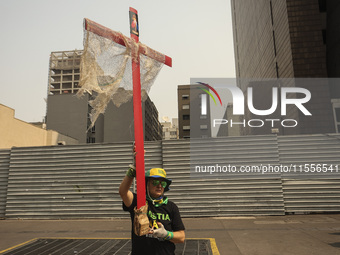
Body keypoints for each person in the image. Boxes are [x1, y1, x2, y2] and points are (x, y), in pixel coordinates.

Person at [119, 160, 185, 255]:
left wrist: (166, 234)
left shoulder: (171, 207)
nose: (159, 186)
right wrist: (133, 169)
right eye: (155, 182)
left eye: (162, 183)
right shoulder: (138, 202)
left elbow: (181, 237)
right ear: (146, 184)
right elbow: (123, 192)